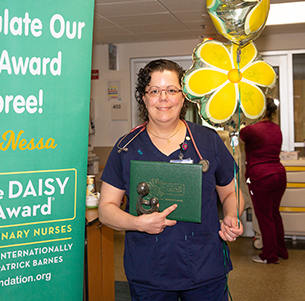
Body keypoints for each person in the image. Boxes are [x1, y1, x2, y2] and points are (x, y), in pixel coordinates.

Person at [98, 59, 244, 301]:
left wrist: (231, 215)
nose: (163, 98)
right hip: (149, 273)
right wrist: (139, 224)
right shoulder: (126, 147)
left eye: (171, 90)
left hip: (204, 268)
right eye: (154, 91)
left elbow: (231, 192)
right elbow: (105, 210)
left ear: (183, 97)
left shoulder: (207, 141)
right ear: (143, 98)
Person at [240, 98, 288, 264]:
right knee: (274, 214)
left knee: (265, 217)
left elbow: (240, 133)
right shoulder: (276, 128)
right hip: (279, 175)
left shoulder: (252, 130)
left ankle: (269, 255)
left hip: (261, 177)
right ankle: (281, 251)